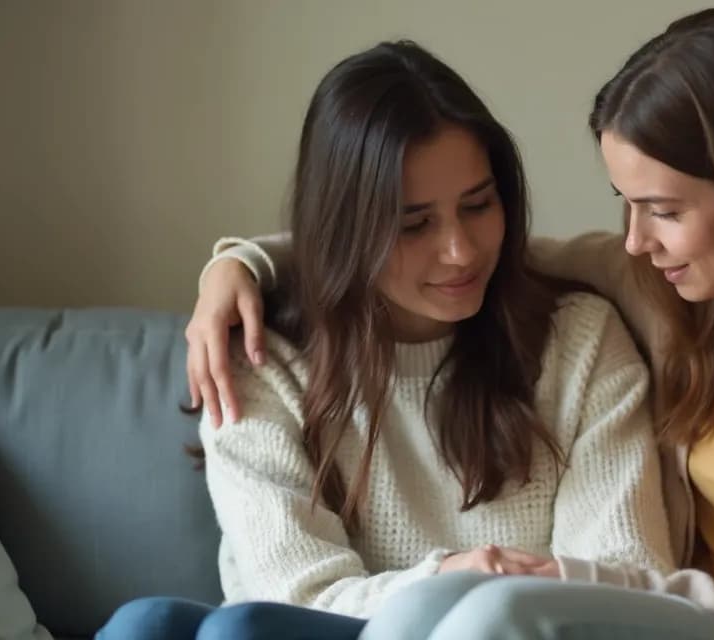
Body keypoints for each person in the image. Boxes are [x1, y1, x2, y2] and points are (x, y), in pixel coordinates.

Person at [190, 8, 714, 640]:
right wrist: (242, 264)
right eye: (624, 206)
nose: (634, 241)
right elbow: (418, 258)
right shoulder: (675, 288)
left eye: (663, 209)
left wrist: (588, 585)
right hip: (662, 625)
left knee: (495, 616)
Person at [97, 40, 675, 640]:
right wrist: (450, 577)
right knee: (149, 624)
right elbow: (296, 594)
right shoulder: (261, 357)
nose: (461, 252)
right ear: (348, 227)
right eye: (414, 224)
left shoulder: (579, 342)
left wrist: (472, 597)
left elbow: (624, 585)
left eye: (478, 205)